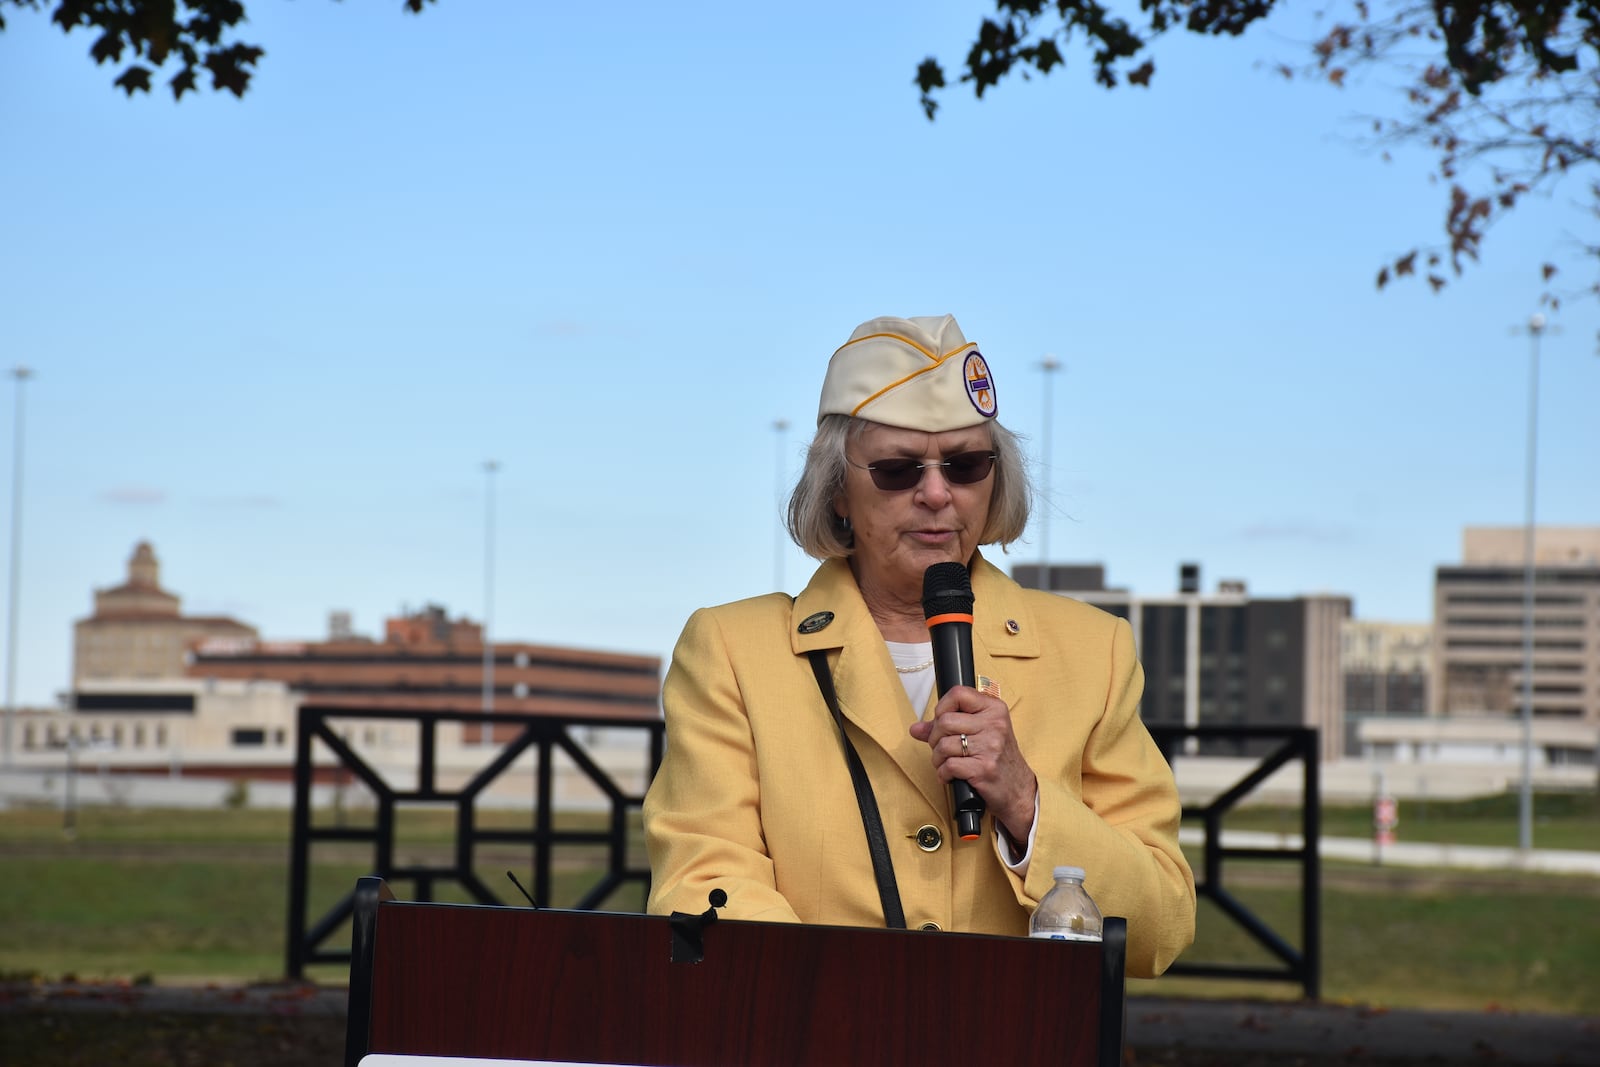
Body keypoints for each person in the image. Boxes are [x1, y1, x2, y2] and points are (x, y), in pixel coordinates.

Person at [643, 314, 1195, 977]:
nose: (937, 494)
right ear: (837, 490)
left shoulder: (1092, 651)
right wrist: (851, 1022)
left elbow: (1161, 926)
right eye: (898, 470)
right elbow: (707, 884)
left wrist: (1025, 802)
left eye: (965, 465)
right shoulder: (733, 650)